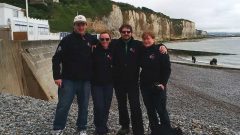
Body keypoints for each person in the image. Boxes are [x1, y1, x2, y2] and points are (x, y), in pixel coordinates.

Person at [111, 24, 167, 135]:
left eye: (128, 31)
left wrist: (162, 46)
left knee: (135, 106)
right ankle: (125, 126)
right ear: (120, 32)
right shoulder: (115, 44)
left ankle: (138, 130)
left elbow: (151, 45)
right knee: (122, 105)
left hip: (133, 81)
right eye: (124, 31)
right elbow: (102, 43)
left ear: (131, 32)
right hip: (118, 81)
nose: (126, 33)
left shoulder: (137, 44)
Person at [52, 15, 98, 135]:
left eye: (83, 24)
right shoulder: (66, 40)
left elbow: (105, 47)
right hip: (68, 80)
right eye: (78, 24)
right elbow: (56, 58)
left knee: (84, 107)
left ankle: (82, 128)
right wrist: (57, 76)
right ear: (74, 26)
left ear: (86, 26)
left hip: (85, 81)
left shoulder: (91, 39)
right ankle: (58, 128)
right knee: (63, 105)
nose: (81, 26)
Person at [140, 32, 172, 135]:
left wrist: (163, 83)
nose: (146, 41)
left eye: (148, 39)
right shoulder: (142, 50)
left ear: (153, 39)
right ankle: (155, 131)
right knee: (150, 110)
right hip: (145, 86)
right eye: (144, 39)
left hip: (158, 86)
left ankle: (167, 131)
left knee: (161, 110)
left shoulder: (160, 50)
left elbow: (167, 69)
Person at [91, 32, 113, 135]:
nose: (104, 41)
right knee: (98, 106)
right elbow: (86, 37)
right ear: (99, 40)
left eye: (107, 39)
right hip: (96, 84)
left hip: (109, 84)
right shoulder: (94, 50)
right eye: (102, 39)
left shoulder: (113, 50)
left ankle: (103, 126)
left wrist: (161, 46)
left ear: (110, 40)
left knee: (106, 106)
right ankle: (99, 127)